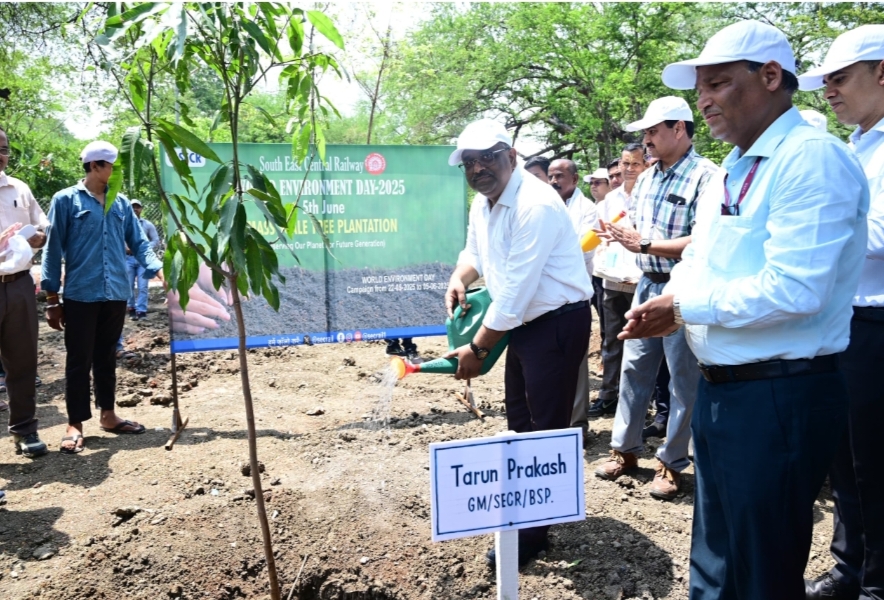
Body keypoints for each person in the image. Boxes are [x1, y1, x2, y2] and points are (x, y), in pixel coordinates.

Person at [619, 20, 868, 599]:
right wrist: (673, 300)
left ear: (771, 77)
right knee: (716, 562)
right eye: (700, 88)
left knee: (759, 571)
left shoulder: (810, 159)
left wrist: (684, 306)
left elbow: (795, 289)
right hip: (727, 390)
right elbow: (702, 257)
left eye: (718, 83)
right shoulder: (736, 166)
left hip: (780, 393)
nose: (704, 101)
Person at [444, 119, 592, 568]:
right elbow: (475, 253)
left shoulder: (536, 204)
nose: (478, 169)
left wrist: (478, 350)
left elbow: (513, 294)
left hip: (556, 322)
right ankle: (530, 511)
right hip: (524, 324)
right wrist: (460, 277)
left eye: (487, 158)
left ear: (511, 156)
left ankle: (533, 533)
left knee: (545, 426)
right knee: (521, 417)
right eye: (469, 163)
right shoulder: (483, 202)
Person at [594, 96, 719, 501]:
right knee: (634, 368)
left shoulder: (707, 177)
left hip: (684, 286)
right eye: (645, 132)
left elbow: (704, 242)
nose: (646, 139)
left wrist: (645, 243)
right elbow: (638, 231)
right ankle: (624, 449)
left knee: (683, 378)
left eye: (652, 131)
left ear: (679, 128)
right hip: (647, 283)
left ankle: (672, 461)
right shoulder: (647, 178)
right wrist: (624, 237)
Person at [797, 25, 884, 600]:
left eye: (841, 78)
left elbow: (876, 234)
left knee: (875, 464)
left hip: (877, 322)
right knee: (846, 461)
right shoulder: (856, 146)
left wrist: (813, 234)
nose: (829, 91)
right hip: (844, 322)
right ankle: (849, 569)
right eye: (825, 81)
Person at [42, 141, 162, 454]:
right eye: (113, 166)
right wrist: (52, 298)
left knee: (107, 355)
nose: (117, 171)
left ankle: (108, 415)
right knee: (78, 359)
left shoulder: (120, 203)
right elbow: (53, 249)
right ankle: (75, 423)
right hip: (81, 293)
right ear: (94, 166)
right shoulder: (65, 200)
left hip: (116, 292)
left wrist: (157, 268)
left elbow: (139, 242)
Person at [0, 126, 50, 458]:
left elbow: (42, 226)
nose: (0, 155)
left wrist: (38, 237)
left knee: (22, 360)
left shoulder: (19, 188)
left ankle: (25, 430)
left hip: (18, 285)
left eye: (4, 149)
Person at [588, 144, 647, 419]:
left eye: (636, 163)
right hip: (612, 280)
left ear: (645, 165)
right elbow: (601, 236)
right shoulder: (610, 200)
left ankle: (643, 400)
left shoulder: (650, 194)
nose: (629, 169)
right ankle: (608, 395)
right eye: (625, 163)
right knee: (612, 340)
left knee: (644, 343)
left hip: (642, 279)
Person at [548, 158, 599, 441]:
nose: (554, 181)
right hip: (547, 298)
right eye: (551, 176)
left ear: (575, 179)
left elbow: (583, 251)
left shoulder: (587, 210)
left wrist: (548, 257)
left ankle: (578, 426)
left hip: (574, 297)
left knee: (576, 365)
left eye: (559, 176)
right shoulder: (545, 204)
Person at [585, 167, 611, 348]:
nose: (593, 186)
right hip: (592, 269)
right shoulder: (591, 207)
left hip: (606, 272)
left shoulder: (615, 207)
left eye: (598, 182)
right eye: (591, 183)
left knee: (606, 316)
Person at [126, 198, 159, 321]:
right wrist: (126, 248)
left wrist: (143, 248)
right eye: (132, 207)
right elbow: (117, 239)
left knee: (143, 286)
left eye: (137, 207)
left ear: (141, 209)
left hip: (143, 260)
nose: (135, 209)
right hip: (128, 259)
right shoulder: (123, 223)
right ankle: (131, 308)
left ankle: (141, 311)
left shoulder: (147, 224)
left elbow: (156, 240)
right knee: (128, 285)